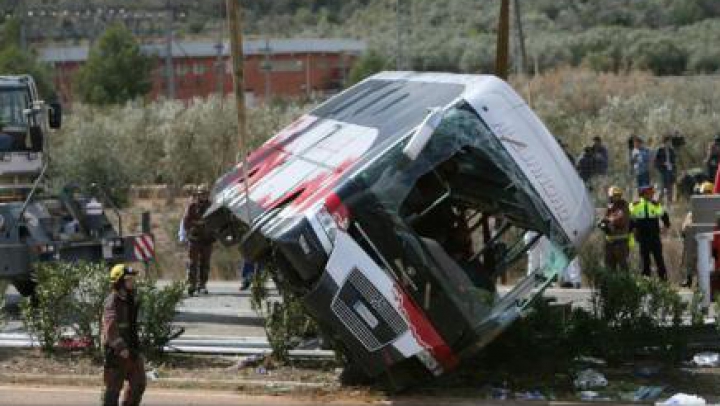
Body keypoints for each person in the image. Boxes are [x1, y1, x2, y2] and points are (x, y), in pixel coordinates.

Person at [102, 264, 145, 406]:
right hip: (116, 352)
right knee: (113, 389)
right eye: (128, 279)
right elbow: (110, 328)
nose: (132, 282)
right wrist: (121, 347)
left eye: (133, 279)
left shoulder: (131, 299)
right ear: (119, 282)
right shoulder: (112, 301)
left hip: (132, 349)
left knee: (138, 384)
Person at [179, 184, 215, 295]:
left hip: (208, 239)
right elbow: (186, 222)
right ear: (198, 195)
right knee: (192, 263)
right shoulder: (192, 206)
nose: (203, 196)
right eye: (201, 194)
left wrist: (210, 228)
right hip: (194, 239)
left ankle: (202, 284)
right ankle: (191, 285)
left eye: (205, 194)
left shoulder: (212, 206)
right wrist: (196, 224)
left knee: (205, 263)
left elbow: (216, 222)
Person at [630, 185, 671, 280]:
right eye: (649, 194)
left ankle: (663, 281)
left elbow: (664, 215)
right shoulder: (634, 205)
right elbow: (630, 220)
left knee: (659, 259)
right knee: (645, 261)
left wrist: (666, 226)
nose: (651, 195)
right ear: (643, 194)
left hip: (654, 237)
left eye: (652, 193)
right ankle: (646, 281)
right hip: (642, 238)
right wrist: (631, 232)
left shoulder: (655, 204)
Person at [599, 186, 631, 272]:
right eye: (613, 196)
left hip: (621, 243)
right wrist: (602, 223)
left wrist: (607, 221)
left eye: (617, 195)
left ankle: (626, 284)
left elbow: (620, 220)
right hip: (609, 243)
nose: (615, 198)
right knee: (609, 267)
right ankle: (611, 284)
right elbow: (605, 219)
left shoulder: (623, 206)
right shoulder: (610, 207)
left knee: (623, 267)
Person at [655, 135, 677, 203]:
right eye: (668, 142)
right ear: (665, 142)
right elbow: (656, 161)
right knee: (662, 188)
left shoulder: (671, 150)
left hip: (670, 171)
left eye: (670, 142)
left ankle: (669, 202)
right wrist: (663, 163)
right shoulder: (660, 150)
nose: (669, 143)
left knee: (670, 188)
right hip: (663, 171)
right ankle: (658, 202)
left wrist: (673, 167)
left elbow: (674, 161)